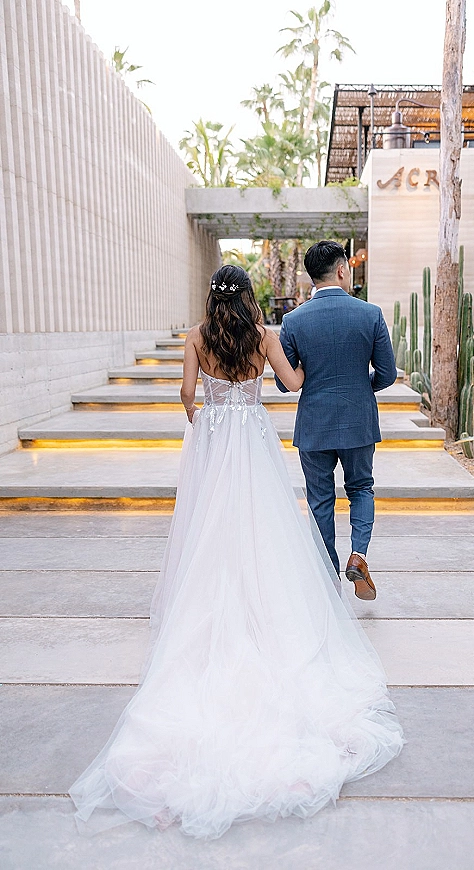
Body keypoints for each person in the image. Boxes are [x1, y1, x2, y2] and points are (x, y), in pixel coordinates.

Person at [69, 264, 404, 840]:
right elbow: (294, 384)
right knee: (264, 529)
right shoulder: (264, 336)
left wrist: (205, 420)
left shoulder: (197, 337)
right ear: (248, 296)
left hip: (215, 444)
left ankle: (214, 613)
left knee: (209, 532)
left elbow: (185, 394)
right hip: (252, 443)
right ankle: (268, 611)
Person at [275, 241, 397, 600]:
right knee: (360, 488)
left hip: (314, 423)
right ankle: (358, 555)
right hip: (359, 420)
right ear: (342, 270)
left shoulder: (293, 321)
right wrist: (362, 388)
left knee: (320, 500)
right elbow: (387, 374)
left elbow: (285, 383)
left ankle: (327, 573)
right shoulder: (370, 314)